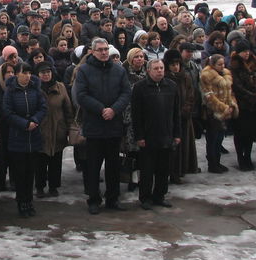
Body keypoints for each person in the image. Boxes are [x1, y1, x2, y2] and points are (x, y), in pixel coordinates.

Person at [73, 37, 132, 215]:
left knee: (113, 166)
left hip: (114, 125)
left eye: (106, 49)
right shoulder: (84, 70)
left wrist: (114, 109)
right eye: (100, 50)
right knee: (92, 166)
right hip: (94, 126)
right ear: (93, 51)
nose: (104, 52)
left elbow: (125, 92)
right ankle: (93, 199)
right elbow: (81, 95)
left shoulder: (118, 70)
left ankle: (113, 198)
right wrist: (101, 109)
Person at [131, 59, 181, 210]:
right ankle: (145, 197)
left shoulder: (171, 86)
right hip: (148, 136)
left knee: (163, 169)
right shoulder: (140, 88)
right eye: (156, 68)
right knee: (147, 169)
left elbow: (176, 112)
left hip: (166, 134)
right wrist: (139, 136)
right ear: (148, 70)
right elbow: (136, 114)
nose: (159, 71)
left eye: (161, 68)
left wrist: (177, 134)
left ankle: (160, 195)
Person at [3, 62, 48, 218]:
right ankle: (21, 201)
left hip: (33, 136)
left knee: (31, 172)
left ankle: (29, 200)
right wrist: (24, 124)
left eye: (29, 73)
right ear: (17, 74)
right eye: (24, 73)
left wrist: (35, 120)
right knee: (20, 172)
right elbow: (8, 113)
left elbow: (43, 107)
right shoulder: (10, 91)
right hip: (18, 137)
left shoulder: (35, 89)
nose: (28, 76)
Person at [35, 62, 73, 199]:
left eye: (48, 72)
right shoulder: (34, 88)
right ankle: (39, 186)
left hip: (58, 129)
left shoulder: (60, 87)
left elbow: (68, 109)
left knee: (55, 160)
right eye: (42, 73)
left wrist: (69, 128)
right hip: (40, 130)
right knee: (40, 161)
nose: (46, 75)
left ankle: (53, 186)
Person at [229, 39, 256, 171]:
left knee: (250, 133)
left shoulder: (255, 63)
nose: (246, 54)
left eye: (247, 51)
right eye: (243, 51)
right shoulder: (234, 65)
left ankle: (248, 156)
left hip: (255, 104)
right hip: (242, 104)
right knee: (240, 133)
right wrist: (251, 95)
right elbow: (237, 85)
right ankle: (241, 157)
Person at [200, 54, 238, 173]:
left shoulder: (226, 74)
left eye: (223, 64)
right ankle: (212, 163)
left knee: (220, 137)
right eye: (219, 64)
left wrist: (231, 105)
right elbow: (208, 95)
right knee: (213, 138)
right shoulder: (206, 76)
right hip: (213, 112)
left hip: (225, 110)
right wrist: (222, 107)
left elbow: (230, 92)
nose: (222, 66)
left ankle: (217, 161)